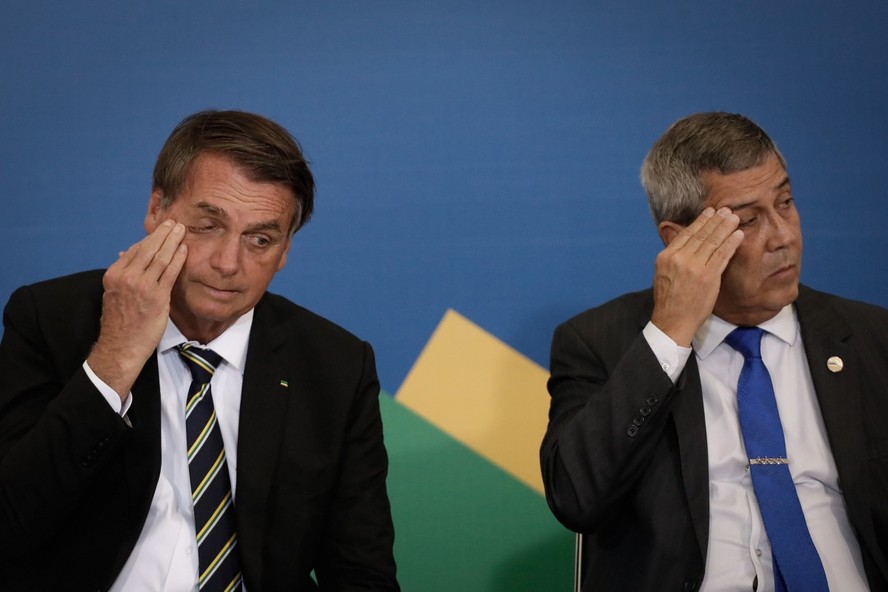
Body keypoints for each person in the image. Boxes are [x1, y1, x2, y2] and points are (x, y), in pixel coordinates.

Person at [0, 110, 400, 591]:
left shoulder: (335, 366)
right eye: (208, 225)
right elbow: (11, 525)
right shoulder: (51, 320)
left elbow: (361, 572)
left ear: (285, 250)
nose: (229, 263)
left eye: (260, 239)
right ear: (157, 210)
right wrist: (116, 356)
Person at [541, 112, 888, 591]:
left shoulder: (872, 339)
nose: (783, 236)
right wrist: (669, 334)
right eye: (748, 221)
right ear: (680, 241)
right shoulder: (600, 343)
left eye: (785, 203)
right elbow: (576, 498)